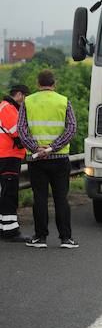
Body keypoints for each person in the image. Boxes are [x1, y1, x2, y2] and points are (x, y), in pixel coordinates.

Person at [17, 69, 78, 249]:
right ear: (54, 83)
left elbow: (21, 129)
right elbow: (71, 129)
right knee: (61, 199)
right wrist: (53, 148)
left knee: (40, 198)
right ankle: (66, 239)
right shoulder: (64, 101)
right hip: (59, 159)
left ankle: (40, 238)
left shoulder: (27, 102)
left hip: (36, 159)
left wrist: (37, 148)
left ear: (38, 84)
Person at [0, 84, 30, 243]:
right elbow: (17, 131)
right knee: (9, 194)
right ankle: (11, 231)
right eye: (25, 97)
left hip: (5, 155)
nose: (25, 101)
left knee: (5, 193)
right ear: (19, 95)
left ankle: (3, 228)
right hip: (8, 156)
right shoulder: (8, 108)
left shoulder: (5, 106)